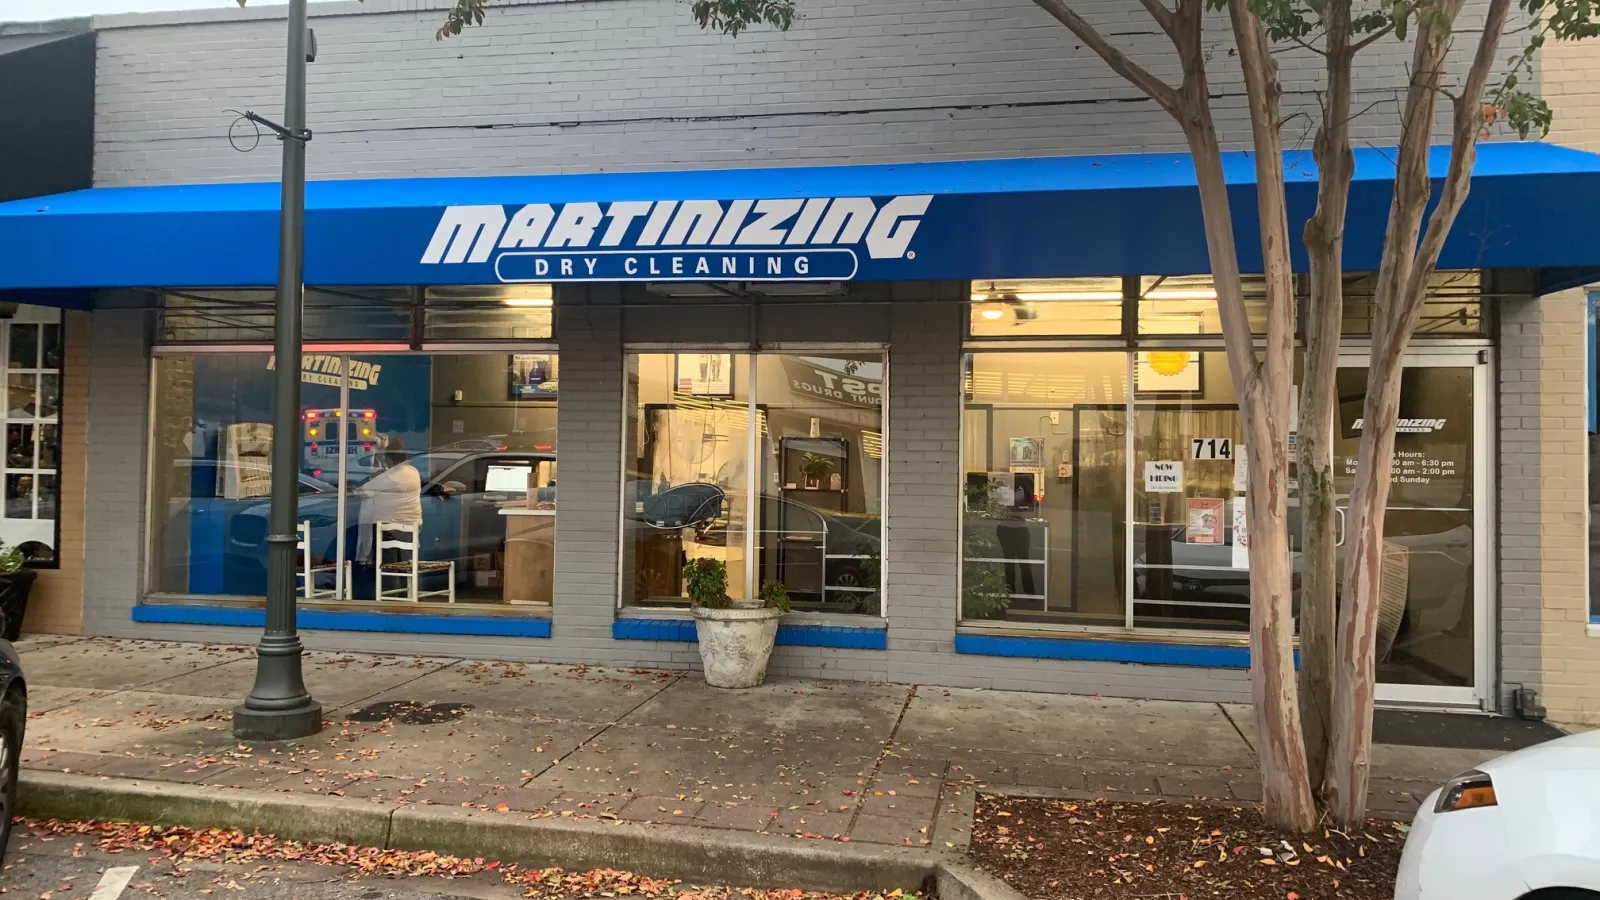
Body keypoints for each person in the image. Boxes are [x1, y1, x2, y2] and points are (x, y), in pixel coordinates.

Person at [352, 438, 422, 598]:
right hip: (411, 527)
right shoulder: (413, 472)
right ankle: (410, 596)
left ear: (390, 459)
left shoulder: (391, 476)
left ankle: (388, 598)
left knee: (388, 566)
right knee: (408, 564)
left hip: (389, 528)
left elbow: (362, 492)